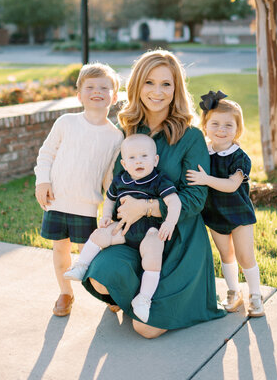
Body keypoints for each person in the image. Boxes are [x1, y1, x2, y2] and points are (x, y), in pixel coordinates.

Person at [81, 50, 226, 338]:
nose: (157, 92)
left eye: (166, 84)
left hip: (177, 238)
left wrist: (146, 207)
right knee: (99, 278)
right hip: (131, 234)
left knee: (145, 329)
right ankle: (133, 293)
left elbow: (196, 200)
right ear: (137, 86)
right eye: (149, 82)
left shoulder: (191, 136)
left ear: (176, 89)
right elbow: (114, 183)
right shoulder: (128, 130)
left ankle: (147, 299)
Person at [34, 63, 123, 317]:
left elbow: (109, 178)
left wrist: (110, 208)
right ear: (79, 94)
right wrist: (42, 181)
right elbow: (46, 154)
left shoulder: (115, 137)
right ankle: (65, 293)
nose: (97, 91)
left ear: (114, 97)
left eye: (104, 88)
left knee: (90, 254)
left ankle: (104, 293)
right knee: (60, 250)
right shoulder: (66, 123)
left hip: (86, 206)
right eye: (90, 87)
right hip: (57, 201)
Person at [64, 134, 182, 324]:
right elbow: (110, 198)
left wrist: (169, 223)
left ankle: (143, 299)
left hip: (149, 231)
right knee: (100, 234)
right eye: (132, 158)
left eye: (144, 156)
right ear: (124, 164)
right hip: (124, 230)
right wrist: (106, 216)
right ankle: (81, 265)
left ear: (155, 160)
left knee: (153, 254)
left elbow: (174, 203)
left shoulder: (159, 180)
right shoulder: (121, 180)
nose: (139, 161)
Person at [186, 90, 264, 317]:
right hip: (215, 214)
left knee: (244, 255)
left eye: (228, 125)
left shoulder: (239, 157)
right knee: (225, 254)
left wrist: (205, 179)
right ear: (206, 126)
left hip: (239, 214)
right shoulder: (204, 153)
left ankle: (255, 295)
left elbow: (231, 185)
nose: (221, 130)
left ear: (237, 130)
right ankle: (233, 291)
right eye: (215, 124)